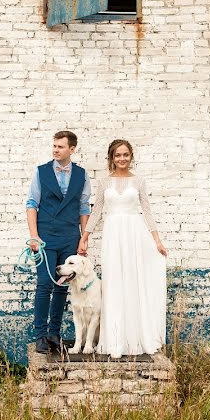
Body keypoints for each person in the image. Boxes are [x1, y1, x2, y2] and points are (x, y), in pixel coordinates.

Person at [79, 139, 167, 358]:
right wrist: (85, 237)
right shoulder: (104, 182)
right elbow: (97, 210)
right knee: (114, 281)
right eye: (118, 155)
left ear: (131, 156)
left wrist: (157, 240)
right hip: (112, 234)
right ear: (111, 157)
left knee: (132, 280)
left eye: (126, 154)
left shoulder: (138, 181)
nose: (122, 158)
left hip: (134, 233)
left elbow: (146, 211)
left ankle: (135, 335)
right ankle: (115, 338)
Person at [26, 130, 91, 354]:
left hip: (70, 237)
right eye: (54, 146)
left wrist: (84, 238)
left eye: (60, 147)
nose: (55, 150)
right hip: (45, 237)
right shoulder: (41, 172)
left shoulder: (82, 174)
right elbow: (32, 204)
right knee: (44, 283)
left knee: (62, 285)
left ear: (72, 150)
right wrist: (34, 235)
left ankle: (54, 333)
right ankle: (40, 336)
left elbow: (84, 208)